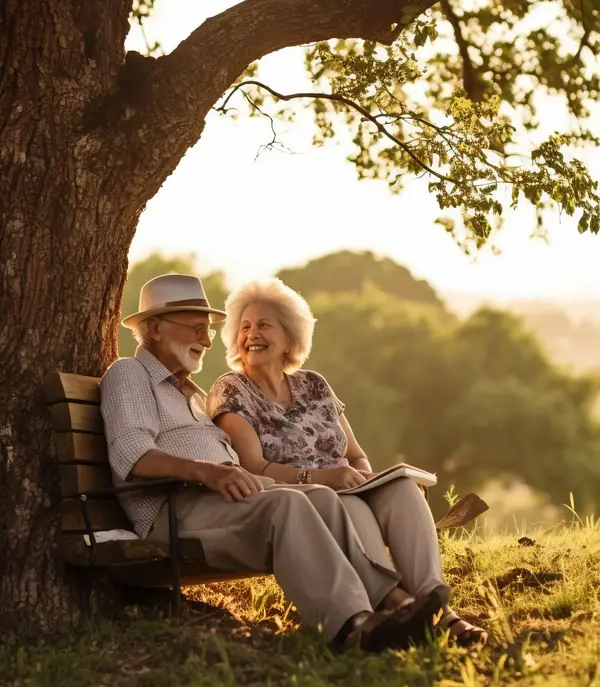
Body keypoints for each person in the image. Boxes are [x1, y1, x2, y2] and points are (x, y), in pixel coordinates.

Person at [100, 273, 444, 653]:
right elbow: (131, 454)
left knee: (320, 497)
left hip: (220, 500)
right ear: (156, 328)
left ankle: (391, 607)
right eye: (196, 328)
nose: (207, 339)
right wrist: (208, 470)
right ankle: (352, 628)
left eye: (209, 330)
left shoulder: (190, 393)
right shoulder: (129, 374)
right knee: (291, 503)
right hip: (174, 509)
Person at [207, 278, 486, 647]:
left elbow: (355, 454)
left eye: (263, 325)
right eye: (244, 326)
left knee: (401, 488)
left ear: (289, 337)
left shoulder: (315, 385)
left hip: (346, 482)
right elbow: (253, 467)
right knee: (350, 504)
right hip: (305, 496)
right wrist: (325, 477)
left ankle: (436, 603)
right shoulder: (230, 390)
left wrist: (365, 478)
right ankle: (414, 612)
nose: (251, 334)